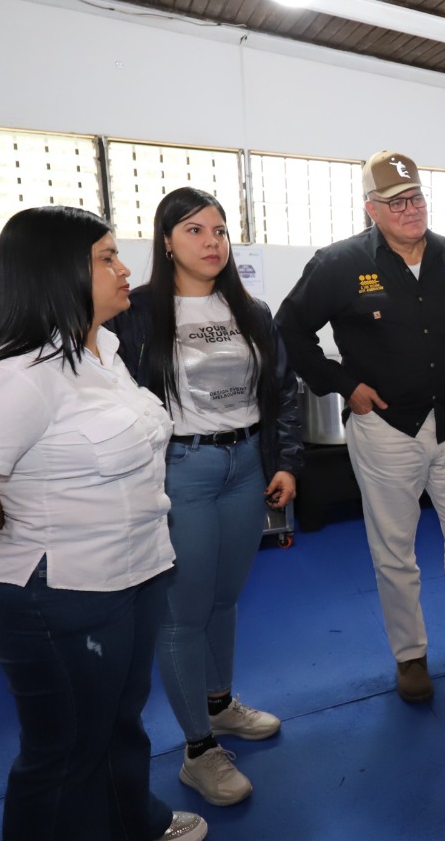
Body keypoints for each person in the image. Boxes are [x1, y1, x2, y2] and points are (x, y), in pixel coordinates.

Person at [0, 206, 204, 841]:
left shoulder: (102, 350)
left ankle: (124, 830)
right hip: (55, 594)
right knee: (63, 752)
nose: (125, 268)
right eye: (107, 257)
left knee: (116, 720)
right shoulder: (18, 376)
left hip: (132, 574)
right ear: (58, 272)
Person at [275, 150, 445, 703]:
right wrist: (344, 384)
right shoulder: (339, 263)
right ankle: (410, 657)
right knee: (395, 550)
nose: (409, 209)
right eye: (394, 202)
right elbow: (289, 330)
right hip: (387, 429)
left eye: (415, 197)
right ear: (371, 208)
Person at [105, 187, 304, 807]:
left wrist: (287, 461)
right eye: (195, 230)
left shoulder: (251, 309)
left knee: (225, 597)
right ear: (166, 241)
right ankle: (198, 751)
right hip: (181, 467)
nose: (212, 241)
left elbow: (282, 388)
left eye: (219, 230)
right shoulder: (134, 313)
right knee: (183, 613)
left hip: (246, 464)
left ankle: (219, 706)